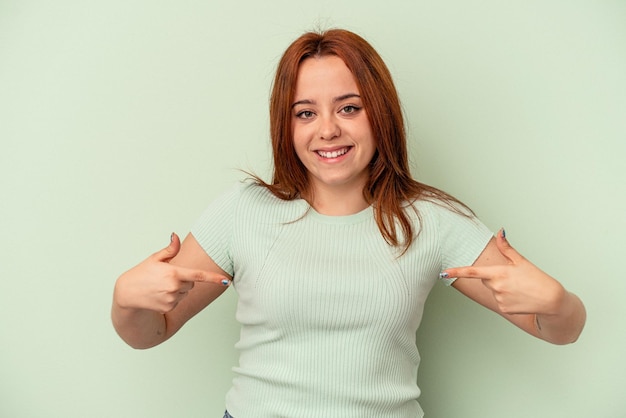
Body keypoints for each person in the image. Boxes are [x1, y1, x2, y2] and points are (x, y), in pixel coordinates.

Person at [111, 29, 586, 418]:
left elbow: (559, 328)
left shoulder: (432, 219)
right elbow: (149, 332)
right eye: (305, 113)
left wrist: (557, 303)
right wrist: (126, 300)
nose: (328, 129)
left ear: (379, 114)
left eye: (349, 107)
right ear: (286, 125)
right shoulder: (243, 211)